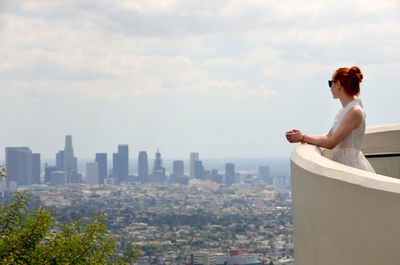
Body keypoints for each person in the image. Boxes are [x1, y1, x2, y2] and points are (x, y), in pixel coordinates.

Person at [285, 66, 375, 172]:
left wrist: (302, 137)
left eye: (330, 83)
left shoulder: (354, 112)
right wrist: (301, 136)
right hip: (343, 165)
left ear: (338, 84)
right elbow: (328, 136)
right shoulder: (345, 110)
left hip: (350, 167)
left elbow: (331, 142)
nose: (330, 87)